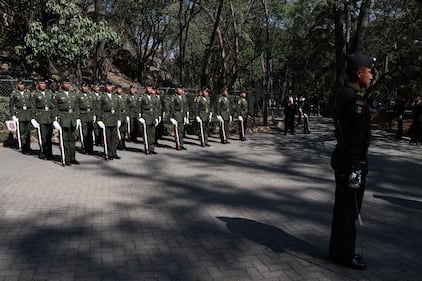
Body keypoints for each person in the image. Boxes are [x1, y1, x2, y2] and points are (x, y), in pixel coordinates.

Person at [329, 53, 374, 270]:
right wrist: (356, 166)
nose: (371, 75)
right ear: (359, 73)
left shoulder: (342, 93)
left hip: (342, 159)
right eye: (369, 71)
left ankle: (338, 251)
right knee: (348, 212)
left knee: (342, 209)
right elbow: (356, 136)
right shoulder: (355, 99)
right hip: (351, 162)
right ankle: (344, 256)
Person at [54, 77, 80, 165]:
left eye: (68, 83)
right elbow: (55, 107)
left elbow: (76, 106)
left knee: (72, 139)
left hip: (72, 118)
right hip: (63, 118)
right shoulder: (58, 94)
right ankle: (66, 158)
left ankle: (72, 157)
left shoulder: (73, 94)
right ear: (61, 84)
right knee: (65, 139)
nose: (67, 85)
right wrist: (55, 120)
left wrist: (77, 118)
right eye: (65, 83)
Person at [9, 79, 35, 154]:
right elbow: (11, 105)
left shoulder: (28, 92)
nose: (22, 86)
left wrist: (32, 115)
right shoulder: (14, 94)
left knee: (28, 131)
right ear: (17, 85)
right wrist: (13, 115)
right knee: (22, 131)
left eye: (23, 84)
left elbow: (32, 104)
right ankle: (23, 147)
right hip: (20, 114)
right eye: (20, 84)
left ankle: (28, 146)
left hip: (28, 114)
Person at [33, 78, 55, 160]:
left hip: (49, 116)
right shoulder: (35, 93)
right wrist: (34, 118)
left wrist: (54, 116)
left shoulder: (49, 92)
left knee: (49, 135)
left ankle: (49, 152)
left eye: (44, 83)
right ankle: (43, 152)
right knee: (42, 135)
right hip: (41, 116)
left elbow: (53, 105)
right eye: (41, 83)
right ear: (38, 84)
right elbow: (33, 106)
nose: (43, 85)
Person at [99, 81, 121, 160]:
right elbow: (99, 108)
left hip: (114, 118)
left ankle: (114, 152)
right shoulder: (102, 96)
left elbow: (118, 108)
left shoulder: (115, 96)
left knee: (114, 137)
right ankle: (108, 153)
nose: (110, 87)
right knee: (107, 137)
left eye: (111, 86)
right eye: (108, 86)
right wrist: (99, 120)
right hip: (107, 118)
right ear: (105, 87)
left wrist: (119, 119)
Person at [139, 82, 158, 154]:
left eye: (151, 88)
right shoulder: (143, 97)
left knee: (152, 134)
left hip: (152, 117)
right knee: (146, 133)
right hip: (146, 116)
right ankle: (147, 148)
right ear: (145, 88)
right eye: (148, 88)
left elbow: (155, 108)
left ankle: (152, 148)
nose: (150, 89)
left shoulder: (154, 97)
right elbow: (138, 107)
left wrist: (156, 117)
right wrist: (140, 117)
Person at [77, 81, 95, 154]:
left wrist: (94, 114)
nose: (86, 88)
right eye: (84, 86)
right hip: (83, 115)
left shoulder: (90, 95)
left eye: (87, 87)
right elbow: (77, 106)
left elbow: (93, 105)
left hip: (90, 115)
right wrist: (78, 117)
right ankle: (84, 147)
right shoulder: (78, 96)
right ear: (81, 87)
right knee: (84, 132)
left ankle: (90, 148)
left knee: (90, 132)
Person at [170, 84, 189, 150]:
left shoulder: (184, 97)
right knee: (177, 131)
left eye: (181, 89)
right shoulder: (174, 97)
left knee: (181, 131)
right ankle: (178, 144)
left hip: (182, 114)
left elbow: (186, 107)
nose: (180, 90)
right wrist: (171, 117)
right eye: (179, 89)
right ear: (176, 90)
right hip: (177, 115)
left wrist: (186, 116)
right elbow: (171, 107)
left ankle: (181, 144)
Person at [115, 85, 127, 150]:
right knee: (117, 131)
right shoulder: (114, 96)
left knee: (123, 130)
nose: (120, 90)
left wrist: (127, 115)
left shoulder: (124, 96)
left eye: (120, 89)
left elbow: (126, 106)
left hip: (124, 115)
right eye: (118, 89)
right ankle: (118, 144)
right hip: (118, 115)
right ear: (116, 89)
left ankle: (123, 142)